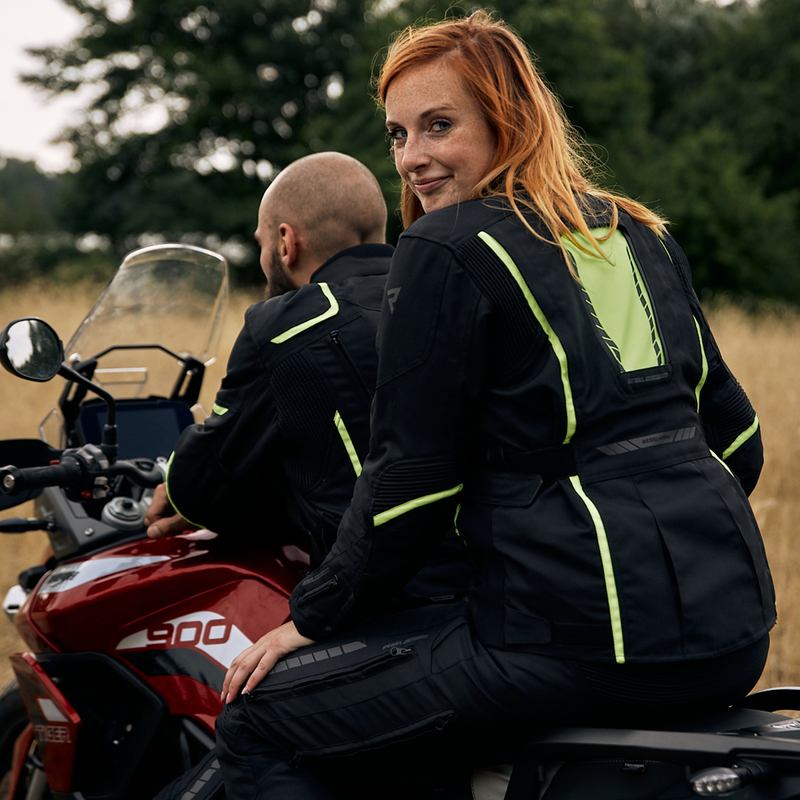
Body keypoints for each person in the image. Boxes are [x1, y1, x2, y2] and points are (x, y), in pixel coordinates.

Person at [214, 11, 774, 799]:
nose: (412, 157)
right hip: (734, 631)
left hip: (577, 644)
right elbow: (739, 440)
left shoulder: (446, 247)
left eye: (438, 126)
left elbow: (411, 484)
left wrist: (312, 617)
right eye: (398, 134)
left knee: (257, 717)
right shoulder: (635, 233)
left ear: (507, 120)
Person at [144, 151, 391, 562]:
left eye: (262, 243)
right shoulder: (440, 291)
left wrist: (175, 486)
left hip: (373, 580)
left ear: (286, 242)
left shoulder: (284, 326)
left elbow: (209, 479)